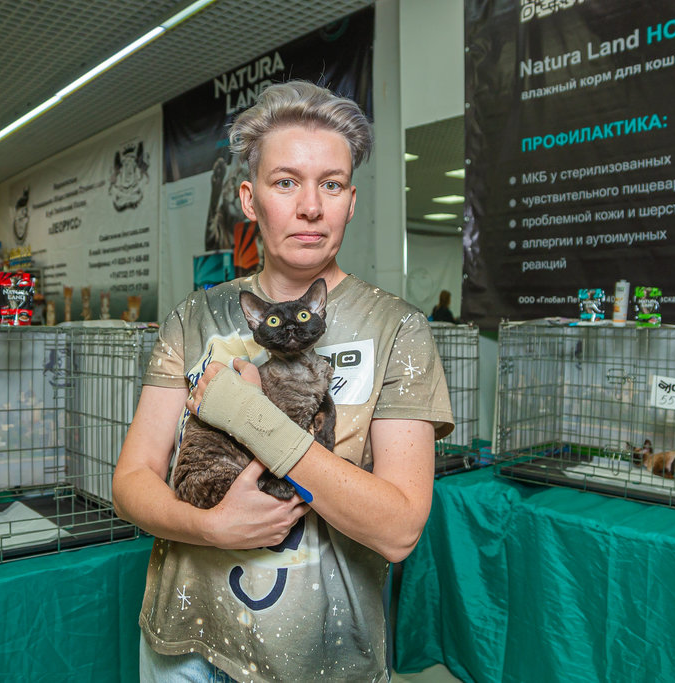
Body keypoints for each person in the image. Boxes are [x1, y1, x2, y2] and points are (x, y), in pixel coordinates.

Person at [112, 80, 454, 682]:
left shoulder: (398, 329)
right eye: (286, 182)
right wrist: (208, 526)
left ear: (351, 201)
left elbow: (400, 530)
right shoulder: (194, 318)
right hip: (181, 649)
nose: (311, 207)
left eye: (331, 184)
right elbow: (131, 481)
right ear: (249, 199)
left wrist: (251, 417)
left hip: (320, 658)